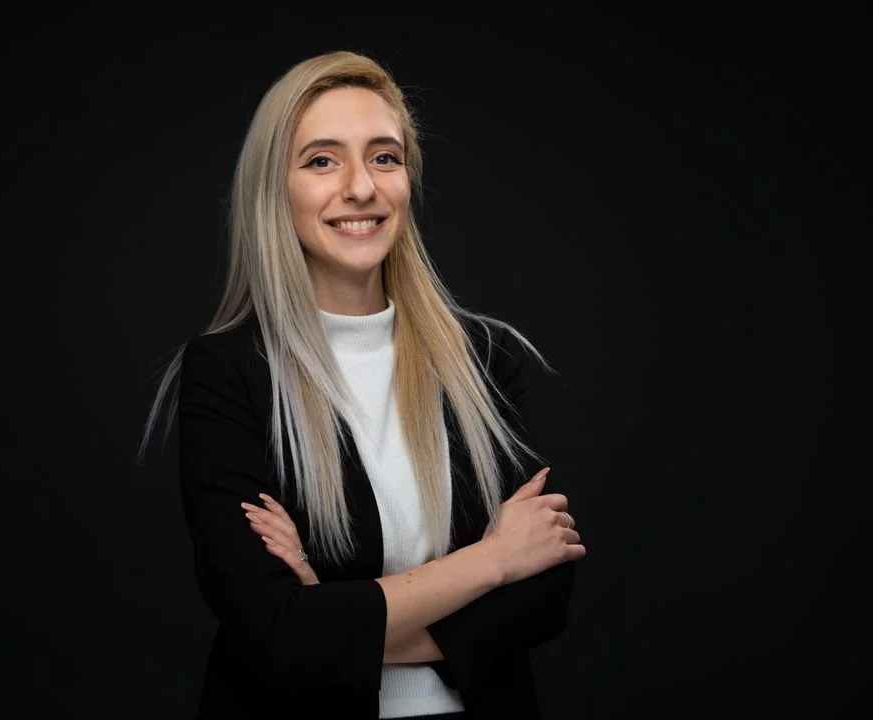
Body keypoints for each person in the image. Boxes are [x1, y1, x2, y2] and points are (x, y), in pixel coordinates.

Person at [139, 49, 585, 720]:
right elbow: (278, 637)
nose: (361, 188)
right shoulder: (229, 375)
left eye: (384, 157)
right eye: (322, 160)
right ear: (275, 188)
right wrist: (494, 560)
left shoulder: (483, 360)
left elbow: (542, 597)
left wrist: (332, 612)